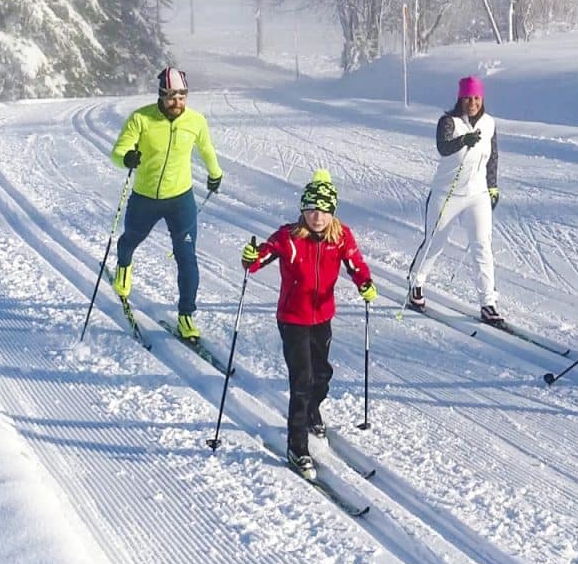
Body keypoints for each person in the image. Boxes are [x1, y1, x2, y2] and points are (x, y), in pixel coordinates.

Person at [242, 170, 377, 480]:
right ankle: (297, 445)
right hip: (292, 319)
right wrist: (250, 257)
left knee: (322, 374)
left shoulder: (340, 236)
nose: (318, 217)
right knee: (301, 381)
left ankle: (313, 411)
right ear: (302, 210)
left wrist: (365, 283)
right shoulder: (288, 237)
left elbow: (355, 263)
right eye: (312, 210)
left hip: (322, 316)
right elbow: (259, 259)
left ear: (332, 212)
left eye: (324, 210)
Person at [110, 67, 223, 342]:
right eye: (172, 97)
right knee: (129, 241)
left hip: (180, 199)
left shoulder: (195, 121)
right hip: (145, 198)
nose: (178, 103)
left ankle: (186, 315)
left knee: (187, 258)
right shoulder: (141, 118)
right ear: (161, 95)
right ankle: (123, 267)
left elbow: (206, 148)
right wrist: (127, 159)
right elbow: (118, 150)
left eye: (182, 96)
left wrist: (215, 173)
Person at [406, 75, 504, 324]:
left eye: (477, 98)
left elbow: (492, 157)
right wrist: (463, 140)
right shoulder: (448, 122)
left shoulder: (490, 124)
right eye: (468, 98)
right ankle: (416, 284)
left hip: (477, 195)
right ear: (460, 99)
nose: (473, 102)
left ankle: (488, 302)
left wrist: (492, 187)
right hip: (446, 194)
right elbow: (443, 147)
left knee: (482, 246)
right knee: (435, 242)